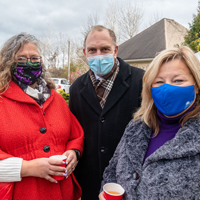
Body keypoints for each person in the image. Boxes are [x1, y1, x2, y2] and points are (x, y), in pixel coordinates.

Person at [99, 46, 200, 200]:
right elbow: (112, 171)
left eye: (178, 80)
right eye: (159, 82)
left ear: (197, 86)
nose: (166, 88)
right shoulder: (136, 126)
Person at [0, 33, 84, 200]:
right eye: (22, 59)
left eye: (34, 58)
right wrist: (28, 168)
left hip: (62, 192)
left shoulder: (56, 99)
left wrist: (73, 152)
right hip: (23, 193)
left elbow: (75, 135)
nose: (29, 63)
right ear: (8, 63)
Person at [69, 25, 144, 200]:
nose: (98, 55)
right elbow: (74, 133)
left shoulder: (141, 81)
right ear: (85, 52)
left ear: (115, 50)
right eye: (92, 50)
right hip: (89, 183)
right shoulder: (76, 88)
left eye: (105, 49)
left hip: (128, 181)